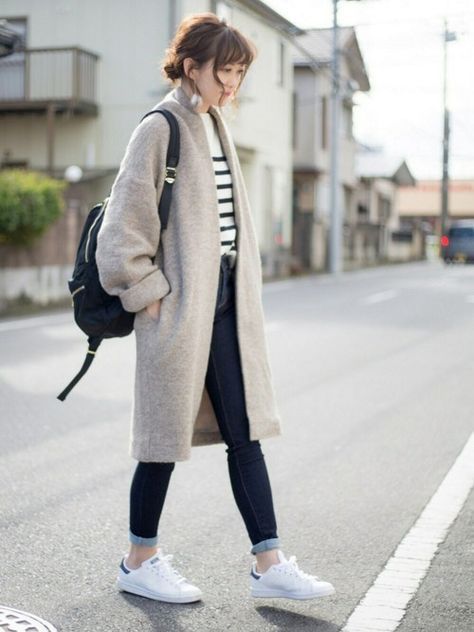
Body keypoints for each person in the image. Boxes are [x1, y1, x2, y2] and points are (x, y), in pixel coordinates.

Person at [96, 12, 335, 604]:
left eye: (240, 74)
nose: (232, 85)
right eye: (224, 72)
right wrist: (149, 295)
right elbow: (122, 232)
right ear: (191, 66)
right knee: (161, 440)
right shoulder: (160, 126)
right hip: (179, 306)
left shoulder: (215, 123)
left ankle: (269, 561)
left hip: (226, 302)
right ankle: (139, 559)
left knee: (244, 431)